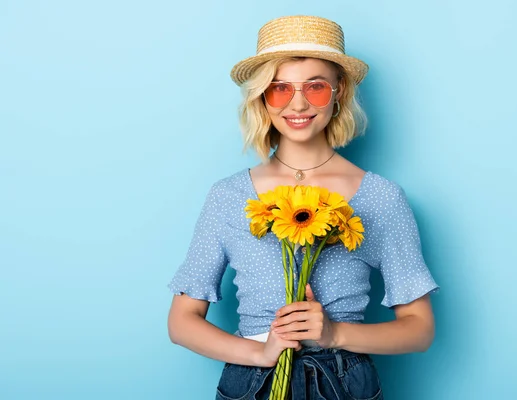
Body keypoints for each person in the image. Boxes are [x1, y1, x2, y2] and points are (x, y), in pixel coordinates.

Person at [167, 15, 440, 400]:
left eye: (315, 87)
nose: (297, 103)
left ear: (339, 91)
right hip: (251, 380)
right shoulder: (228, 195)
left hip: (344, 381)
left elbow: (419, 328)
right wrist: (261, 353)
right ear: (262, 96)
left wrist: (335, 333)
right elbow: (182, 322)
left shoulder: (380, 197)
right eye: (279, 88)